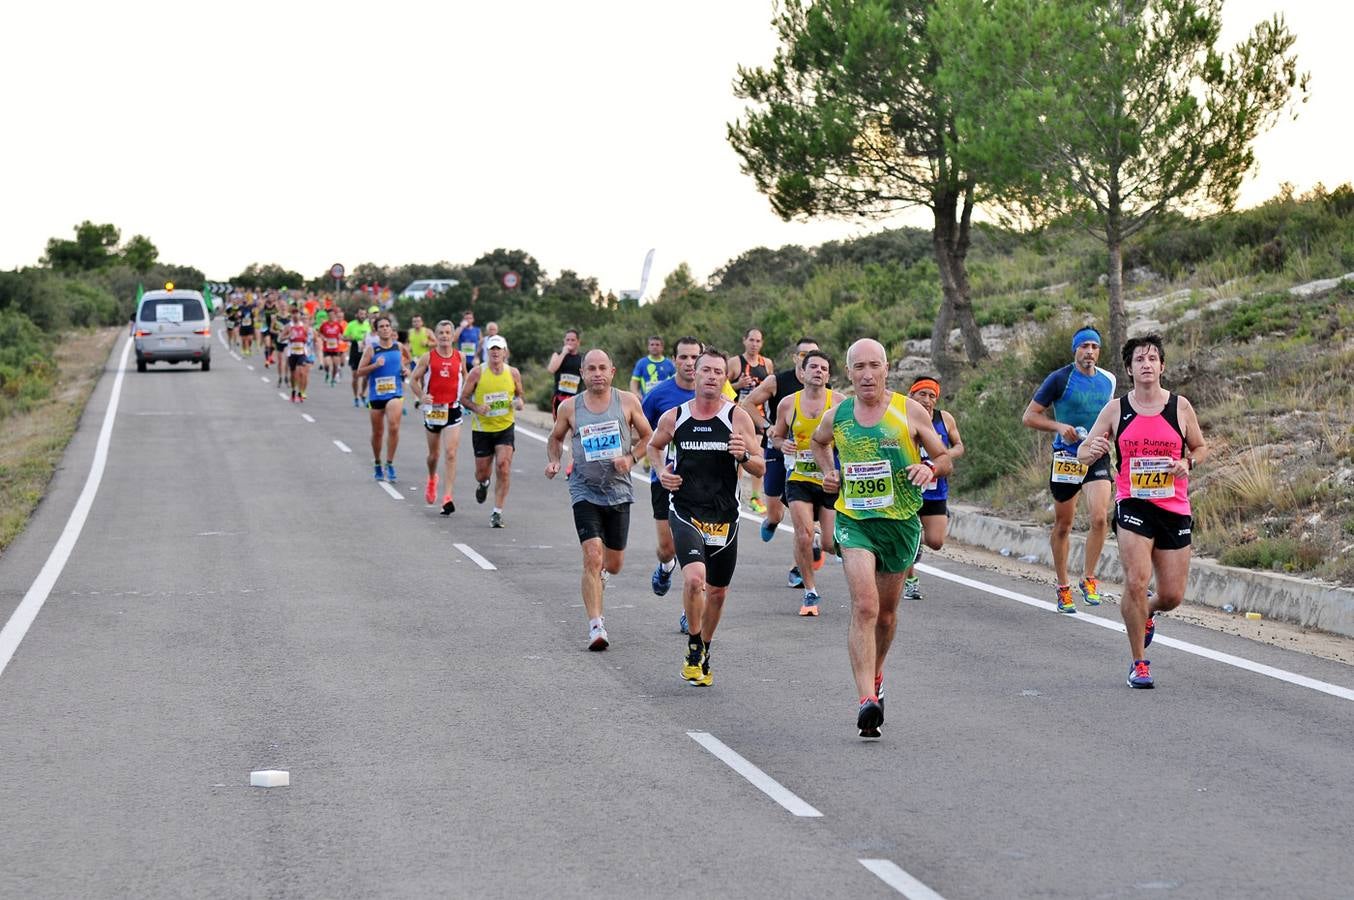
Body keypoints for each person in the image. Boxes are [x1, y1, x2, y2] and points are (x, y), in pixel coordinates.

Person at [812, 339, 953, 739]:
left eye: (874, 366)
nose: (867, 374)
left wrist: (929, 469)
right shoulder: (838, 414)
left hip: (901, 522)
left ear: (887, 369)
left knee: (887, 614)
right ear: (849, 371)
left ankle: (875, 675)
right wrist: (829, 470)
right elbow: (819, 442)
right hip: (855, 520)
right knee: (865, 605)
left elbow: (944, 457)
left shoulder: (907, 410)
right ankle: (865, 701)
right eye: (859, 367)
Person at [1076, 334, 1207, 689]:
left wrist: (1187, 462)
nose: (1146, 365)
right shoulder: (1117, 409)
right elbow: (1082, 454)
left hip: (1174, 507)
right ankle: (1139, 663)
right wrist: (1094, 448)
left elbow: (1200, 446)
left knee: (1172, 596)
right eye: (1139, 360)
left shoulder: (1180, 407)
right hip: (1133, 505)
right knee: (1135, 581)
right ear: (1130, 369)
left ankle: (1146, 612)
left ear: (1162, 366)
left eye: (1152, 359)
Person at [647, 349, 764, 686]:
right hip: (685, 509)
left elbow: (760, 465)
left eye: (718, 372)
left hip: (725, 515)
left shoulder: (737, 417)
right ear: (694, 375)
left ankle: (706, 647)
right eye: (706, 371)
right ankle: (694, 645)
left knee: (717, 593)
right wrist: (661, 472)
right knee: (695, 579)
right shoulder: (675, 417)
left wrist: (743, 455)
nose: (712, 376)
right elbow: (655, 447)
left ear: (724, 379)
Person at [545, 349, 653, 650]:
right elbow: (555, 438)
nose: (597, 373)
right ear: (582, 373)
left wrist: (631, 458)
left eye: (602, 368)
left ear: (612, 371)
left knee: (613, 564)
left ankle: (602, 575)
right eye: (590, 368)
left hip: (618, 490)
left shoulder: (628, 402)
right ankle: (596, 626)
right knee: (592, 556)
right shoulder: (570, 407)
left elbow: (648, 436)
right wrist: (554, 461)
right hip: (584, 488)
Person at [1021, 327, 1117, 613]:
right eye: (1084, 346)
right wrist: (1059, 426)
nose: (1089, 351)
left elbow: (1110, 415)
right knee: (1064, 524)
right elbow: (1029, 417)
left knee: (1100, 518)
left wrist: (1111, 437)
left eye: (1094, 346)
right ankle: (1063, 587)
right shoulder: (1060, 378)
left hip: (1096, 454)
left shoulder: (1108, 380)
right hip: (1066, 457)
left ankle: (1088, 578)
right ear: (1075, 349)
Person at [741, 337, 820, 585]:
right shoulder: (777, 381)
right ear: (796, 358)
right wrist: (768, 427)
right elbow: (748, 403)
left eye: (814, 355)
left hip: (808, 457)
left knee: (803, 519)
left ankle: (798, 567)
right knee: (776, 513)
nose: (810, 361)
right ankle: (772, 521)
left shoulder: (822, 383)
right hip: (777, 450)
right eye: (804, 355)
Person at [770, 349, 838, 617]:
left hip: (828, 479)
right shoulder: (788, 404)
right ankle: (810, 591)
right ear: (803, 372)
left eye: (823, 368)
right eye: (814, 367)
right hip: (798, 478)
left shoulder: (839, 402)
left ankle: (821, 542)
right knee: (802, 535)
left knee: (831, 544)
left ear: (829, 375)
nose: (818, 371)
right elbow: (775, 436)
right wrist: (781, 443)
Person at [640, 337, 702, 611]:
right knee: (668, 549)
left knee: (700, 556)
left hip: (702, 484)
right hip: (665, 481)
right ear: (674, 360)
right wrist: (654, 465)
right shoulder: (658, 395)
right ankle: (666, 567)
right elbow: (642, 433)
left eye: (694, 358)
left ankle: (692, 615)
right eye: (684, 358)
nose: (689, 363)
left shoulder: (713, 393)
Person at [903, 375, 965, 600]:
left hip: (935, 489)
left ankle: (920, 538)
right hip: (907, 488)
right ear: (911, 395)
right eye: (922, 394)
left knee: (936, 542)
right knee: (909, 540)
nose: (927, 399)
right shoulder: (901, 416)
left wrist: (942, 456)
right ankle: (911, 581)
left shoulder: (944, 419)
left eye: (932, 396)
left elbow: (959, 446)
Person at [461, 334, 525, 527]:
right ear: (487, 352)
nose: (496, 352)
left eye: (499, 348)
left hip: (505, 426)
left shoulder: (513, 373)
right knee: (482, 473)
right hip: (482, 429)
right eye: (492, 349)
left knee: (504, 467)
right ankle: (483, 484)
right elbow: (462, 398)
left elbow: (520, 396)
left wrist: (519, 402)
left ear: (505, 352)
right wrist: (476, 407)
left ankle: (497, 512)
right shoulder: (477, 373)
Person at [409, 320, 465, 513]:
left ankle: (447, 497)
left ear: (452, 335)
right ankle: (432, 478)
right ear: (435, 335)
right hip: (433, 410)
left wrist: (467, 400)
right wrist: (422, 396)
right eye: (440, 332)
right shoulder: (428, 357)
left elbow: (466, 379)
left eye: (448, 332)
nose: (444, 336)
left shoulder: (460, 357)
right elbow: (413, 380)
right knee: (434, 455)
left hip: (453, 409)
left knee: (450, 453)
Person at [355, 316, 410, 482]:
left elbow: (407, 361)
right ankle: (378, 463)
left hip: (395, 393)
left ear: (391, 329)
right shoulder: (371, 349)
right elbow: (360, 371)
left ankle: (390, 463)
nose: (385, 329)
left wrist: (405, 370)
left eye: (387, 326)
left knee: (393, 426)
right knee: (378, 433)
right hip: (376, 395)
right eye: (382, 326)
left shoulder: (398, 346)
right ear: (377, 331)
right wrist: (375, 366)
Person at [729, 328, 775, 514]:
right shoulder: (735, 363)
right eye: (751, 340)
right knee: (739, 456)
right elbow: (722, 388)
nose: (754, 344)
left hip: (758, 416)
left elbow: (771, 389)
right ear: (744, 341)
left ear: (762, 343)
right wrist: (738, 385)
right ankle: (735, 491)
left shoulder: (767, 363)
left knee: (758, 454)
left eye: (758, 341)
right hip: (737, 416)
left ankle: (755, 496)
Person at [547, 328, 583, 416]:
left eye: (573, 340)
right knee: (559, 426)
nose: (569, 342)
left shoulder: (582, 359)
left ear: (578, 342)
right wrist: (563, 353)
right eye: (567, 340)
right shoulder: (558, 354)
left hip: (575, 399)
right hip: (559, 397)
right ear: (564, 341)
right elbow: (551, 369)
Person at [343, 306, 372, 407]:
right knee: (355, 376)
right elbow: (344, 337)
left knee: (366, 376)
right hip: (355, 350)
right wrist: (350, 338)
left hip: (366, 351)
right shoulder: (351, 325)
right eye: (361, 314)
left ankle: (363, 394)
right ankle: (356, 397)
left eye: (364, 314)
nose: (362, 316)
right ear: (357, 315)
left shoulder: (369, 325)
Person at [284, 312, 311, 403]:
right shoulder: (288, 326)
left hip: (302, 353)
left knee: (301, 372)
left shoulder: (304, 326)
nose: (296, 318)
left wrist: (307, 339)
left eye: (298, 316)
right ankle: (293, 391)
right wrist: (288, 336)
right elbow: (280, 338)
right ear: (292, 317)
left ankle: (300, 392)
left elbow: (309, 338)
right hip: (292, 353)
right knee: (293, 374)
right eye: (294, 316)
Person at [318, 311, 345, 386]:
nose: (331, 317)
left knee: (335, 365)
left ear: (334, 316)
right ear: (328, 316)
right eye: (330, 315)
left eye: (333, 315)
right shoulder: (324, 325)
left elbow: (342, 334)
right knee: (326, 364)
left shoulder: (338, 325)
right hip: (326, 348)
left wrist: (341, 337)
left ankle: (333, 379)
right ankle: (327, 372)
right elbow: (320, 333)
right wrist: (323, 337)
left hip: (335, 348)